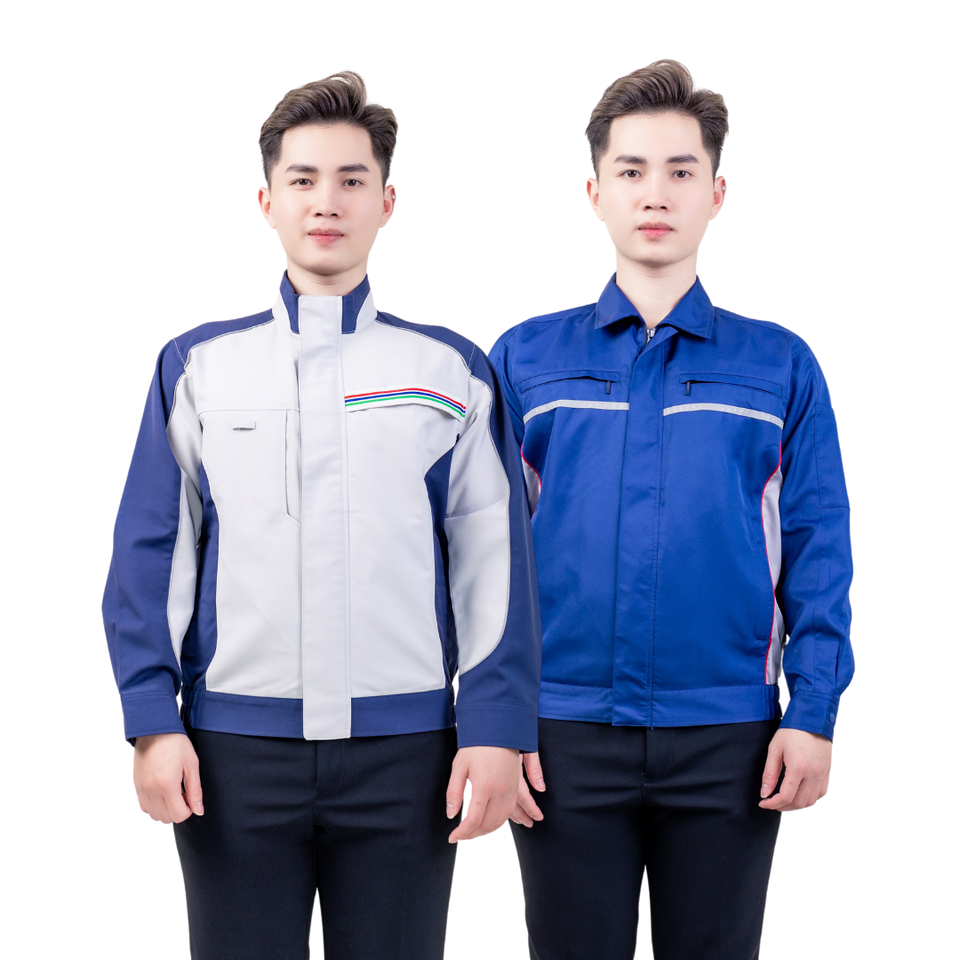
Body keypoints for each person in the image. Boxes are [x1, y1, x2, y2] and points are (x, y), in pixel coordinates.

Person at [102, 71, 540, 960]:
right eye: (302, 179)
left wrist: (496, 728)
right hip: (232, 756)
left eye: (351, 179)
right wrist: (152, 719)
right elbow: (153, 550)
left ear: (387, 202)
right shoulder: (198, 368)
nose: (326, 201)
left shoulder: (449, 372)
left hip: (407, 756)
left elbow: (496, 562)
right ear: (267, 201)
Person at [492, 60, 853, 960]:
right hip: (560, 736)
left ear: (716, 193)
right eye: (632, 170)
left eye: (681, 171)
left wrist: (811, 709)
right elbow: (479, 556)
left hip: (730, 738)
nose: (656, 193)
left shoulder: (779, 365)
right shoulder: (526, 360)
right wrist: (495, 722)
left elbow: (818, 546)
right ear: (595, 192)